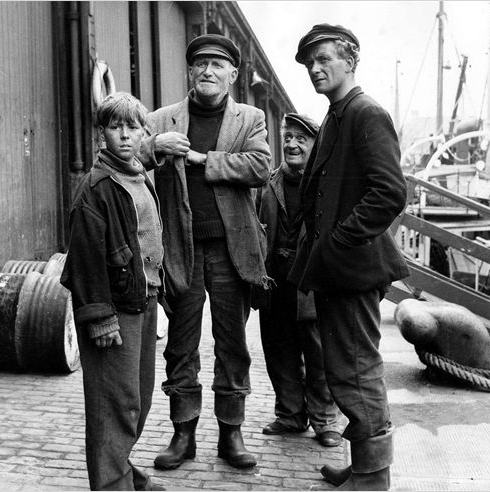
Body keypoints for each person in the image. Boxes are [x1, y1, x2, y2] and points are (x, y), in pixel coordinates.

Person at [139, 33, 271, 470]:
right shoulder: (162, 119)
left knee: (232, 343)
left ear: (233, 74)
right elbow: (127, 155)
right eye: (200, 64)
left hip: (232, 252)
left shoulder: (250, 118)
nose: (208, 71)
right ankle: (183, 434)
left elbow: (259, 167)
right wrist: (154, 147)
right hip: (181, 250)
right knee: (180, 345)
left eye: (217, 65)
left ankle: (231, 434)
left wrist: (203, 160)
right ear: (190, 71)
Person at [288, 24, 410, 491]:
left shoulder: (365, 113)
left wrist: (339, 240)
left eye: (324, 59)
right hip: (337, 271)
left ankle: (374, 476)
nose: (315, 69)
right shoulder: (337, 115)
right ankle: (363, 464)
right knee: (344, 371)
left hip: (352, 269)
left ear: (351, 61)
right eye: (310, 63)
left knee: (357, 372)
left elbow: (389, 193)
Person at [60, 92, 165, 491]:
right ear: (101, 133)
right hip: (114, 309)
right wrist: (101, 317)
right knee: (113, 404)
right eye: (115, 126)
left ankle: (122, 471)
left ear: (144, 133)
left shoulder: (138, 177)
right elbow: (84, 260)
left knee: (137, 399)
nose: (124, 135)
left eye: (132, 127)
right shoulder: (96, 187)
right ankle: (111, 484)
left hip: (143, 299)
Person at [254, 112, 342, 447]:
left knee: (319, 355)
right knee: (278, 350)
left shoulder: (325, 186)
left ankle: (325, 420)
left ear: (314, 144)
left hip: (312, 282)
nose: (292, 144)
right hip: (275, 281)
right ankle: (290, 414)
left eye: (301, 139)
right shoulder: (267, 183)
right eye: (288, 137)